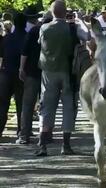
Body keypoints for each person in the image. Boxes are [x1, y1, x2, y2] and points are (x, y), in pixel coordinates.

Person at [36, 0, 90, 156]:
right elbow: (88, 37)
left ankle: (43, 146)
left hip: (48, 72)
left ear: (52, 12)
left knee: (47, 107)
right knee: (68, 107)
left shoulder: (44, 28)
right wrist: (80, 21)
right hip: (68, 72)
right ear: (65, 12)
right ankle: (66, 145)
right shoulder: (72, 28)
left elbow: (41, 44)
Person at [16, 11, 49, 145]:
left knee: (28, 105)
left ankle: (24, 135)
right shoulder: (55, 30)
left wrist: (21, 68)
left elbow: (25, 51)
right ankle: (46, 134)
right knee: (47, 105)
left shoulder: (34, 30)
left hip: (31, 72)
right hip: (48, 73)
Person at [0, 13, 27, 137]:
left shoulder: (6, 38)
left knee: (3, 103)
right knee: (21, 103)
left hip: (5, 73)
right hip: (21, 74)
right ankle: (21, 130)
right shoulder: (27, 38)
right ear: (25, 23)